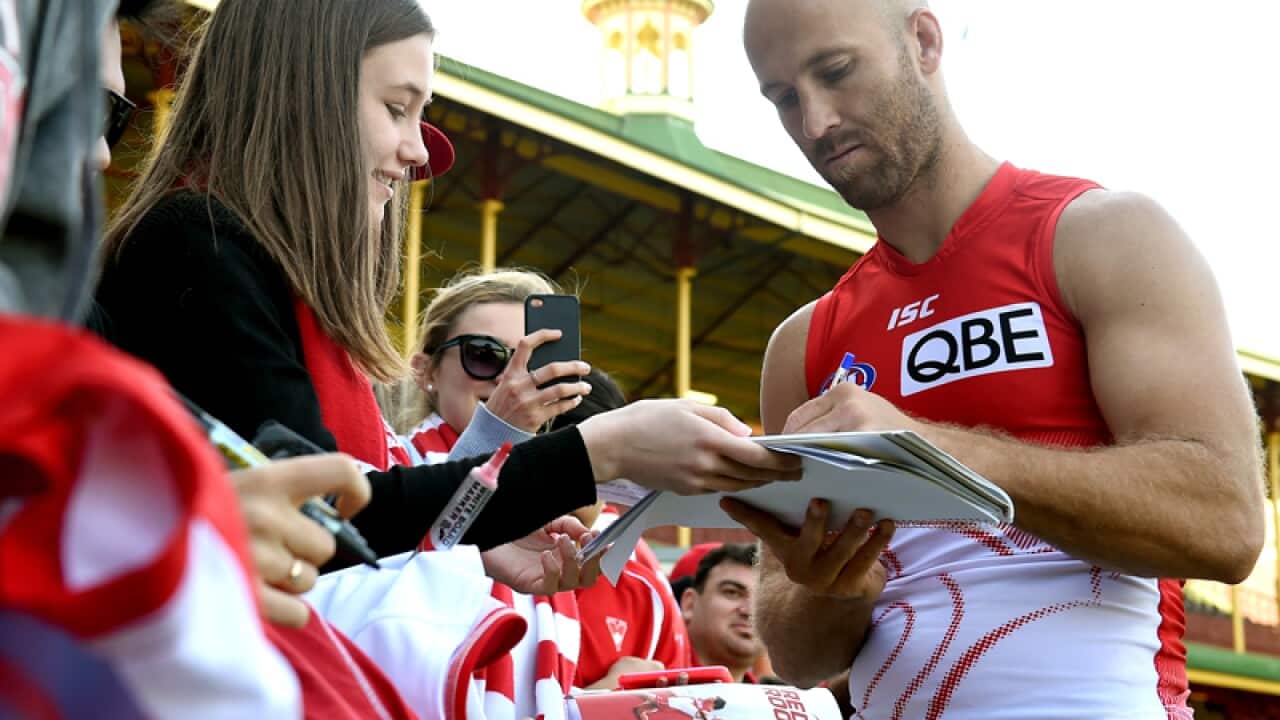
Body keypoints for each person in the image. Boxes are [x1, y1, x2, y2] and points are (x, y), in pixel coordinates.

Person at [722, 0, 1266, 717]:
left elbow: (1226, 525)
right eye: (784, 98)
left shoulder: (1101, 236)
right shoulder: (805, 343)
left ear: (922, 40)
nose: (816, 122)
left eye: (836, 71)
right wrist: (834, 587)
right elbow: (798, 658)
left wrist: (929, 456)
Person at [679, 544, 765, 684]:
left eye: (762, 599)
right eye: (732, 593)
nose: (749, 611)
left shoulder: (779, 702)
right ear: (689, 604)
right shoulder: (648, 693)